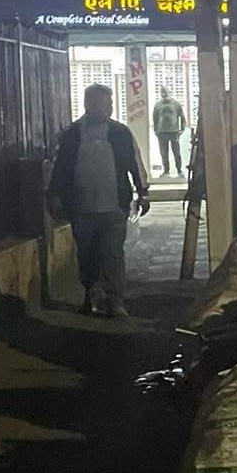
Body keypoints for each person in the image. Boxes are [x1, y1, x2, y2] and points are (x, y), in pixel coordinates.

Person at [49, 84, 150, 318]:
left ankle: (115, 300)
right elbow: (60, 168)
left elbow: (134, 163)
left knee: (112, 253)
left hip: (114, 207)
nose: (109, 109)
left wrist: (143, 192)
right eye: (103, 104)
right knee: (86, 254)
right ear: (88, 105)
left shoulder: (120, 133)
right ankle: (91, 293)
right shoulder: (72, 135)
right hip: (81, 207)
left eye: (110, 104)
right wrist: (55, 196)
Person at [151, 87, 187, 178]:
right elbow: (155, 118)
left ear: (169, 92)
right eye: (162, 92)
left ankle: (179, 170)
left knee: (176, 152)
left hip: (174, 132)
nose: (164, 93)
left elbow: (182, 117)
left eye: (165, 92)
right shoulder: (158, 105)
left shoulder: (176, 104)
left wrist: (182, 129)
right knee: (164, 153)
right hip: (162, 132)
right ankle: (166, 170)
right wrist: (156, 130)